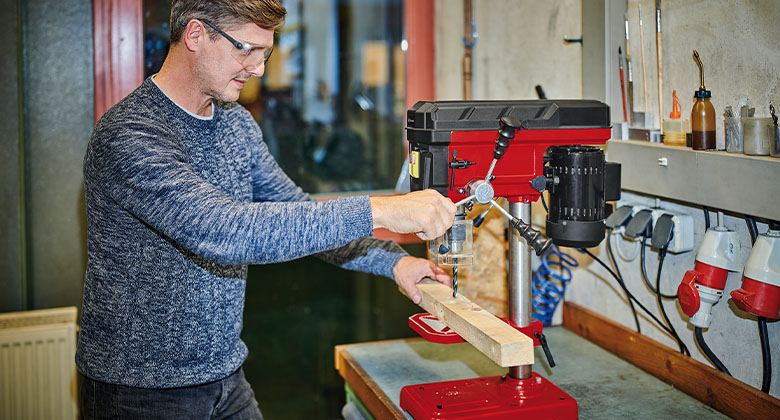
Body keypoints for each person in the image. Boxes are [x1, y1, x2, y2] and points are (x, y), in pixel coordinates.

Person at [76, 1, 455, 418]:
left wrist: (394, 264)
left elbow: (294, 212)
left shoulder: (235, 123)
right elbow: (226, 232)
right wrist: (380, 210)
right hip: (139, 390)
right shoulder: (129, 135)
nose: (258, 68)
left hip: (225, 375)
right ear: (196, 35)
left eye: (266, 52)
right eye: (246, 49)